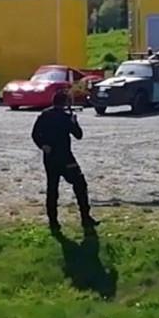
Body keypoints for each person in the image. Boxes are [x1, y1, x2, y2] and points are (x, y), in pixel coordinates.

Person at [31, 89, 98, 234]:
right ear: (65, 103)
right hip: (65, 157)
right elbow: (78, 135)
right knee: (80, 183)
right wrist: (74, 122)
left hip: (49, 157)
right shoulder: (66, 117)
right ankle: (85, 217)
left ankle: (53, 221)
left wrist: (42, 145)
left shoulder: (44, 115)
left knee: (52, 188)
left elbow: (35, 134)